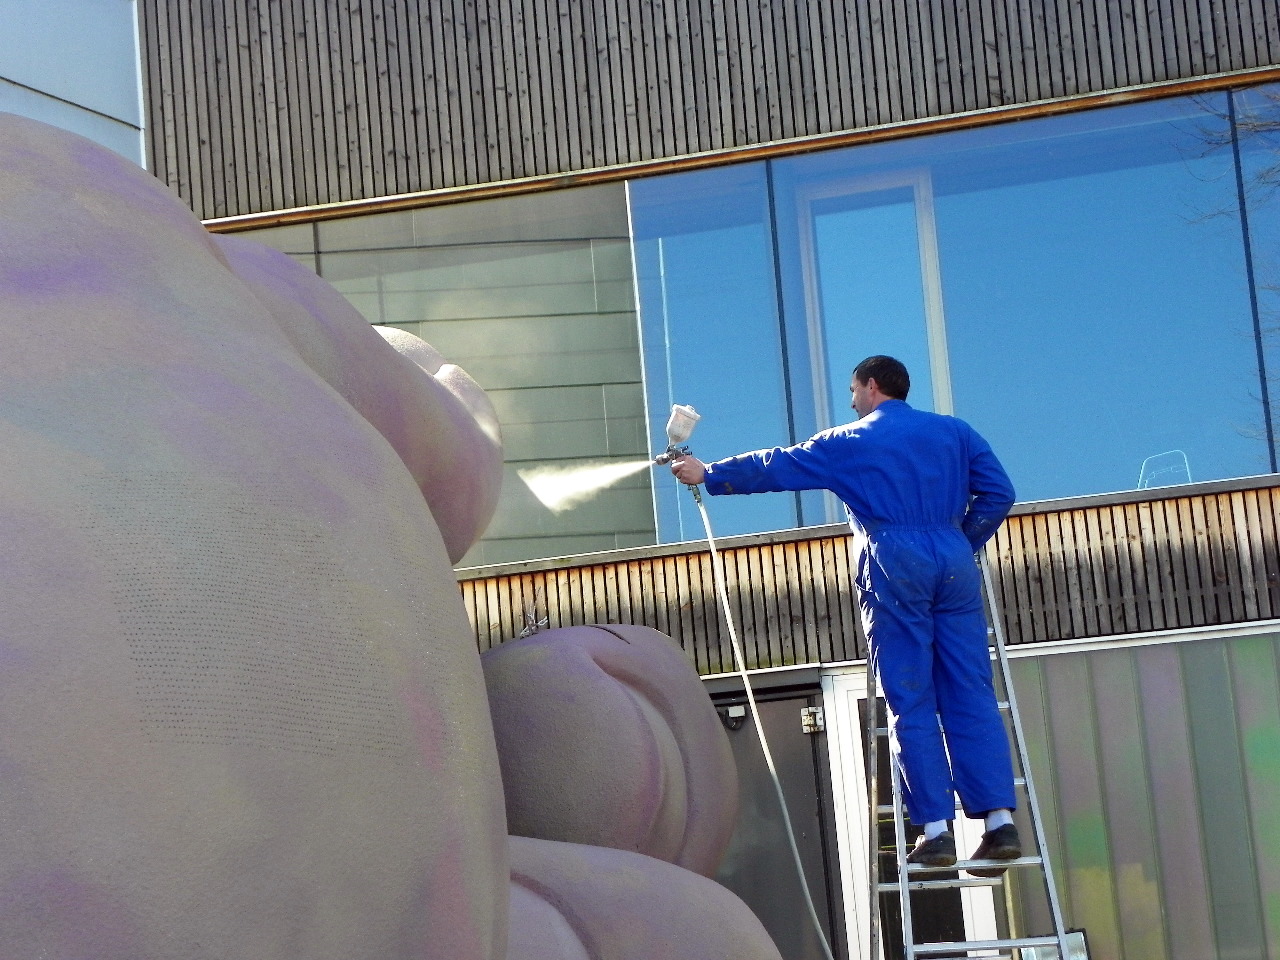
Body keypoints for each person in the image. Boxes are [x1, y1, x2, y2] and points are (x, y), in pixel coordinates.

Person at [670, 355, 1021, 873]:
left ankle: (936, 832)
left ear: (872, 387)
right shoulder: (956, 432)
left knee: (911, 697)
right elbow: (999, 493)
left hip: (893, 559)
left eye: (854, 390)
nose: (852, 400)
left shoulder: (852, 440)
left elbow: (780, 464)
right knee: (970, 690)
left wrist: (710, 473)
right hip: (953, 561)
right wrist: (959, 542)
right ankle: (999, 823)